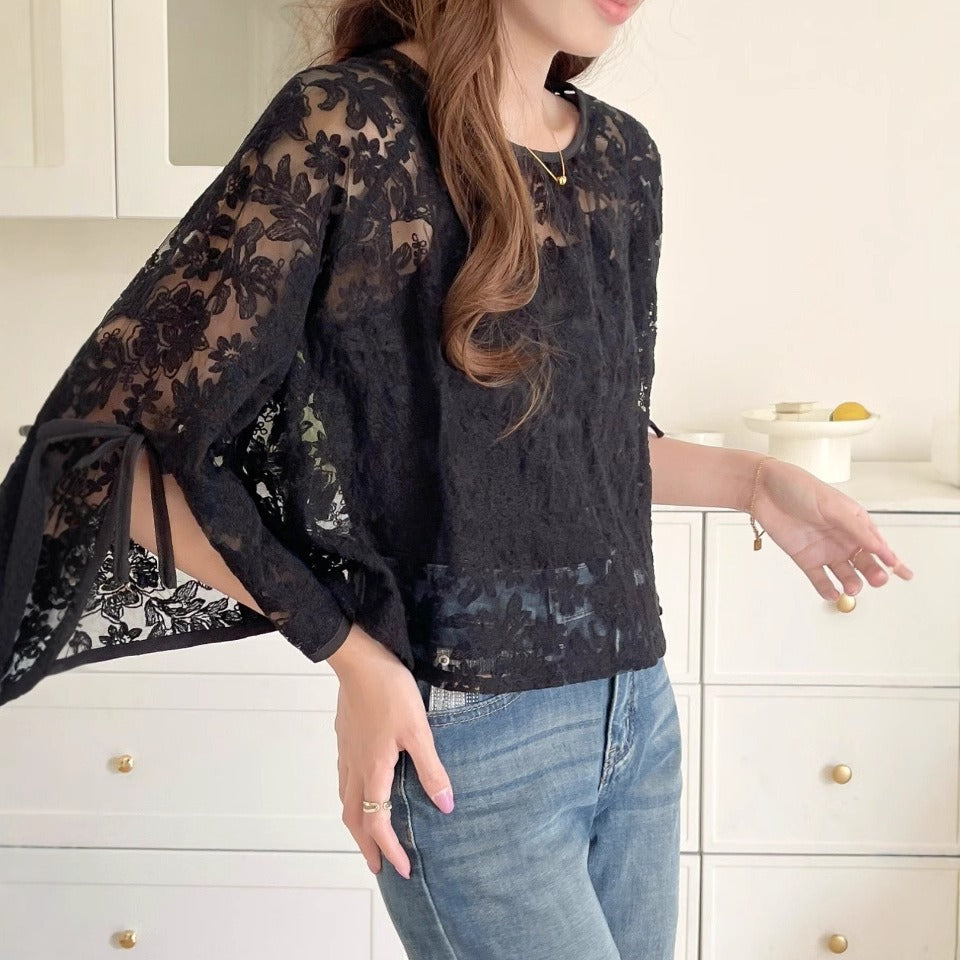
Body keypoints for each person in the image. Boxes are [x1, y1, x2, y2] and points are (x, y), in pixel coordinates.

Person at [0, 0, 914, 956]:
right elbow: (103, 458)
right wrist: (351, 654)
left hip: (639, 719)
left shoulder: (623, 160)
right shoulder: (348, 125)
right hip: (470, 747)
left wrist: (757, 481)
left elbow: (574, 457)